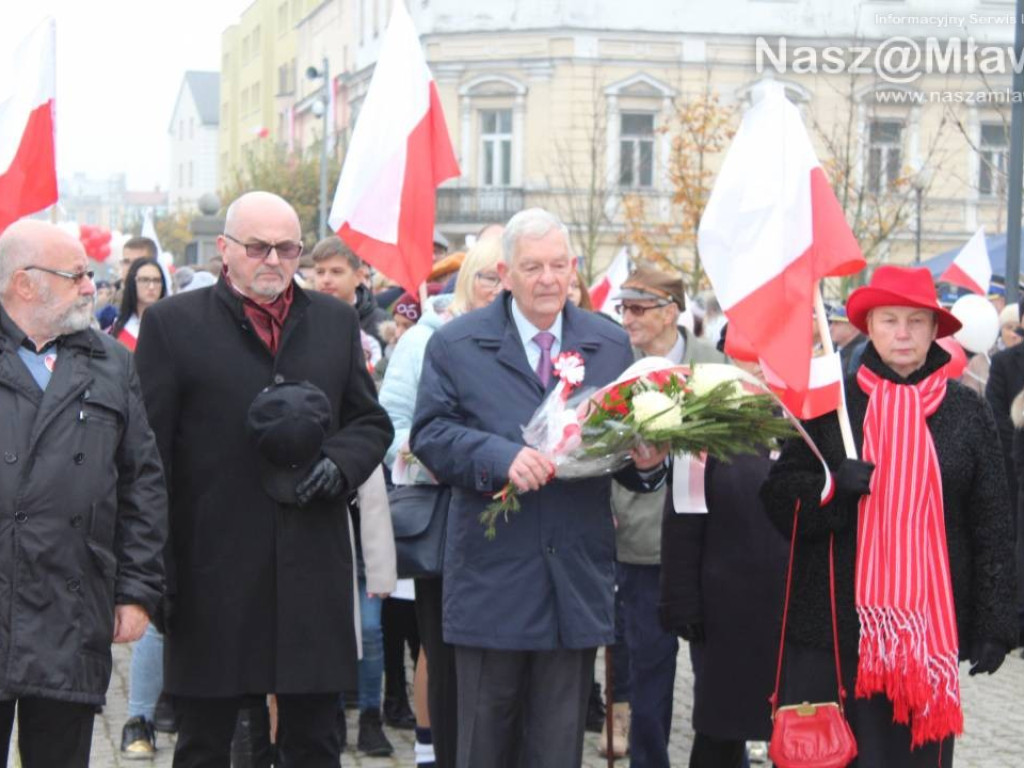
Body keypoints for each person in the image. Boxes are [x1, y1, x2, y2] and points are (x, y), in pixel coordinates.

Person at [134, 191, 394, 768]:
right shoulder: (173, 326)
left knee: (315, 741)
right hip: (212, 570)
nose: (273, 260)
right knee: (205, 742)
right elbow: (148, 455)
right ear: (225, 249)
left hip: (310, 564)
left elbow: (370, 421)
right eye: (257, 247)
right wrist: (157, 571)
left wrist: (340, 464)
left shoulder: (333, 319)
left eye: (287, 248)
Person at [410, 208, 669, 768]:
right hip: (492, 575)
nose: (548, 278)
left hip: (573, 577)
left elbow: (620, 450)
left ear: (574, 268)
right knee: (486, 744)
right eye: (532, 267)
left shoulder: (608, 343)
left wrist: (647, 462)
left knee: (556, 749)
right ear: (505, 273)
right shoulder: (458, 344)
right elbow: (430, 435)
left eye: (559, 265)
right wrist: (501, 457)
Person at [762, 266, 1017, 767]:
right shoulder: (829, 404)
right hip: (836, 634)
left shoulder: (967, 411)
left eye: (916, 322)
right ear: (869, 327)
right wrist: (832, 490)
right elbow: (777, 500)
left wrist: (996, 623)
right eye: (889, 320)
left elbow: (991, 520)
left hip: (928, 639)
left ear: (935, 330)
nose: (902, 334)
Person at [0, 220, 166, 767]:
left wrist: (137, 591)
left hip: (70, 607)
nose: (91, 287)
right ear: (25, 284)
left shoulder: (110, 361)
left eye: (89, 275)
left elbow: (143, 482)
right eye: (76, 276)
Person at [378, 236, 504, 768]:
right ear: (466, 278)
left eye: (505, 278)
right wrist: (453, 456)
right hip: (446, 523)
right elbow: (389, 429)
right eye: (486, 277)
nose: (497, 290)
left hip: (510, 527)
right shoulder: (426, 340)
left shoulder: (522, 341)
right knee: (446, 655)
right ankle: (437, 750)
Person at [609, 263, 724, 767]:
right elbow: (596, 449)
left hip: (709, 544)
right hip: (641, 540)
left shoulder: (715, 365)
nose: (627, 318)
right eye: (623, 308)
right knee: (647, 675)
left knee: (718, 675)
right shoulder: (616, 365)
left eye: (638, 308)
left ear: (671, 312)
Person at [660, 325, 788, 768]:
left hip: (797, 609)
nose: (762, 368)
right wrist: (680, 600)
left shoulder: (812, 420)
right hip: (725, 610)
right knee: (721, 729)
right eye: (751, 356)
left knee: (799, 730)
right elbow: (682, 516)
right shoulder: (701, 421)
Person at [311, 235, 391, 348]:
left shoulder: (381, 323)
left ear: (358, 276)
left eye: (336, 272)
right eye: (320, 272)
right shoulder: (301, 318)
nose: (326, 280)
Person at [98, 236, 159, 331]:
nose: (130, 268)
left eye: (137, 262)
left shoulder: (167, 310)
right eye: (126, 262)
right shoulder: (104, 309)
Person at [111, 258, 168, 352]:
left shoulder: (171, 326)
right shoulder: (119, 327)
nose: (151, 286)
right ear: (133, 283)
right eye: (145, 280)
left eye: (157, 280)